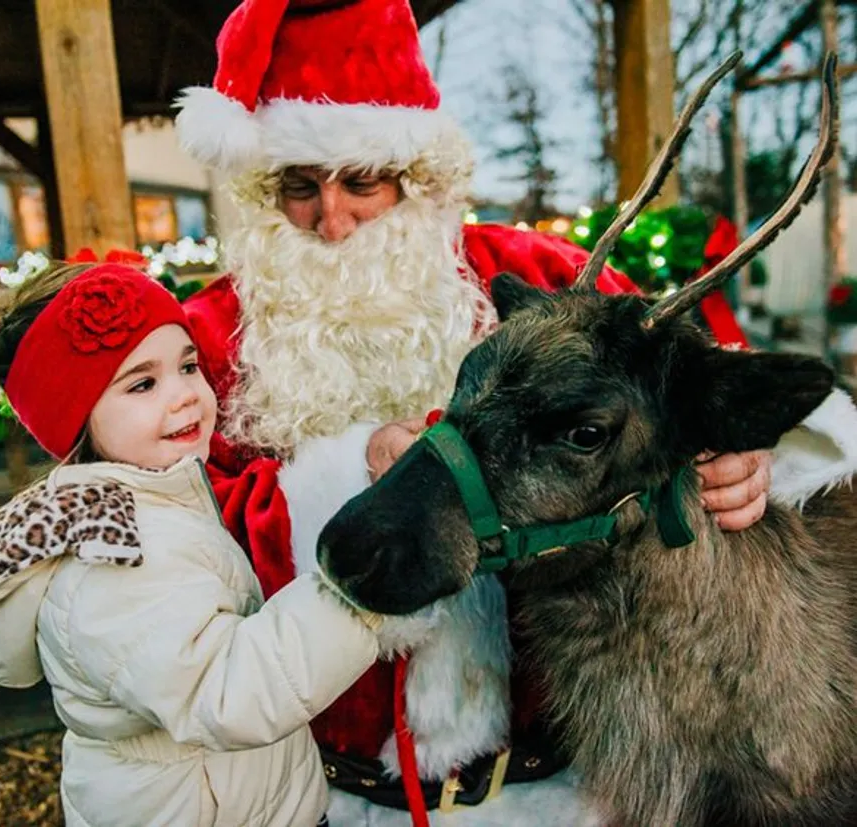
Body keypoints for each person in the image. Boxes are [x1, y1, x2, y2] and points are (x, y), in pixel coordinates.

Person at [175, 0, 857, 823]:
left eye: (361, 180)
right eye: (297, 187)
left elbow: (684, 382)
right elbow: (182, 530)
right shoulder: (203, 342)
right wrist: (340, 473)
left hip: (558, 787)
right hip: (339, 794)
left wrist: (752, 459)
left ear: (415, 177)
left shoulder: (533, 272)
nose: (333, 219)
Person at [0, 260, 382, 827]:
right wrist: (362, 589)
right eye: (143, 384)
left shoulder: (157, 502)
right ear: (77, 418)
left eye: (187, 366)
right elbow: (225, 693)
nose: (184, 396)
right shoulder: (113, 556)